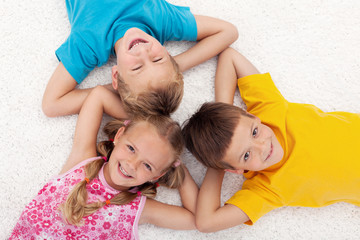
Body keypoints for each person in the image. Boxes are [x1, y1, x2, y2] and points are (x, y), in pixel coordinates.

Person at [182, 47, 360, 232]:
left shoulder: (269, 108)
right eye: (246, 155)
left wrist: (226, 110)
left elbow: (230, 56)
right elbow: (206, 222)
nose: (263, 147)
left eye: (254, 132)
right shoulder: (265, 188)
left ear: (251, 116)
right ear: (236, 170)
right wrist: (218, 167)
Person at [10, 86, 198, 239]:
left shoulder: (139, 208)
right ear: (119, 136)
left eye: (147, 166)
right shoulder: (82, 161)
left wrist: (178, 163)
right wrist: (142, 122)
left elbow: (197, 218)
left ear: (157, 176)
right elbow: (98, 96)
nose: (132, 165)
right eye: (131, 148)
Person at [42, 0, 238, 117]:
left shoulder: (89, 43)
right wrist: (177, 66)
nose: (143, 52)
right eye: (158, 60)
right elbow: (228, 31)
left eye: (136, 68)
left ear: (116, 76)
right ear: (167, 54)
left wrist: (123, 89)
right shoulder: (162, 20)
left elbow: (52, 104)